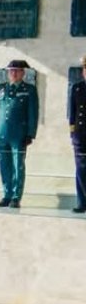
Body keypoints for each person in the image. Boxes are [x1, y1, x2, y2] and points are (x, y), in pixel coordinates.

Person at [0, 59, 39, 209]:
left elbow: (33, 113)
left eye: (17, 70)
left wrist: (30, 133)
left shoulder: (29, 89)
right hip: (2, 133)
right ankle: (7, 195)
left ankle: (16, 197)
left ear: (23, 73)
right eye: (11, 71)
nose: (13, 73)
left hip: (19, 134)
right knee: (4, 166)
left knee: (18, 166)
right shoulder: (0, 88)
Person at [68, 56, 86, 214]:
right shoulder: (77, 88)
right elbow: (72, 113)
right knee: (80, 169)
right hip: (81, 134)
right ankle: (82, 202)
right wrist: (72, 133)